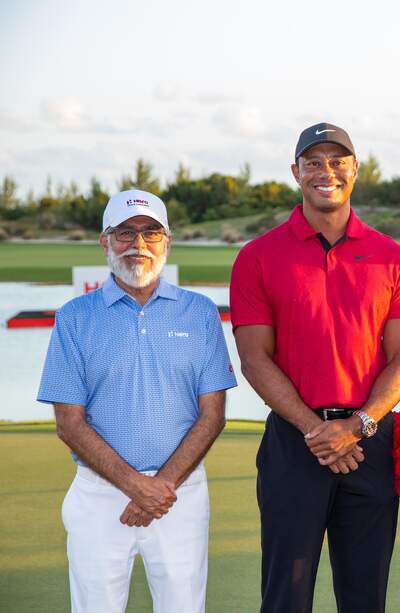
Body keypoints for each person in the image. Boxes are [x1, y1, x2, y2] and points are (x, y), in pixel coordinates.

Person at [231, 122, 400, 613]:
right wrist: (319, 431)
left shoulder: (392, 257)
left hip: (370, 443)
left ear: (355, 169)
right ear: (295, 173)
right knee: (285, 597)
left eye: (337, 161)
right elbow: (255, 357)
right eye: (313, 162)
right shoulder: (256, 257)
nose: (326, 172)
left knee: (365, 598)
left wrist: (356, 427)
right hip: (295, 446)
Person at [37, 188, 237, 613]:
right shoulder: (74, 317)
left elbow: (213, 414)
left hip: (179, 494)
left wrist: (159, 488)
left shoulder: (199, 312)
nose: (139, 245)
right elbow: (68, 423)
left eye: (151, 233)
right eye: (125, 233)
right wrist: (136, 486)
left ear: (167, 241)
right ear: (105, 241)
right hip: (100, 496)